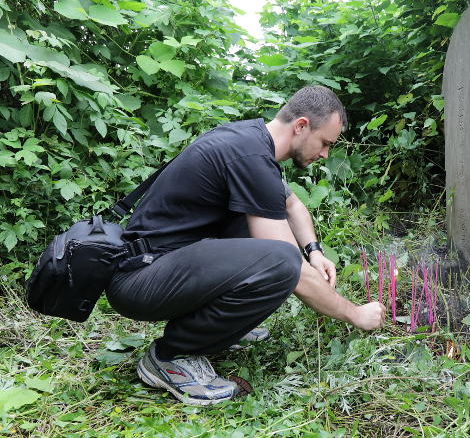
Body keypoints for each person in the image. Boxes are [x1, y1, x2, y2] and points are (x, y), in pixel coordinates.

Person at [106, 86, 386, 406]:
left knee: (265, 237)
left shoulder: (250, 139)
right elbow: (289, 268)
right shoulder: (251, 156)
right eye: (325, 143)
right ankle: (170, 356)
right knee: (280, 261)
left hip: (160, 266)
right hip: (141, 279)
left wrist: (314, 251)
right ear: (301, 126)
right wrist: (356, 314)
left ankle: (220, 327)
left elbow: (293, 206)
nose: (324, 154)